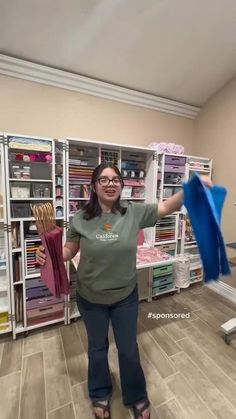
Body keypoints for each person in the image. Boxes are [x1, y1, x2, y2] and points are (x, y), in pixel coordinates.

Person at [36, 162, 212, 419]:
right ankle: (99, 393)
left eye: (115, 179)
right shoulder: (80, 217)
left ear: (122, 185)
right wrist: (50, 254)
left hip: (125, 297)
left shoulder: (133, 212)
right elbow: (70, 250)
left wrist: (190, 188)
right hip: (91, 297)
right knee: (97, 347)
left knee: (128, 347)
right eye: (104, 180)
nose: (110, 184)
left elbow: (166, 206)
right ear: (94, 187)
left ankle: (136, 395)